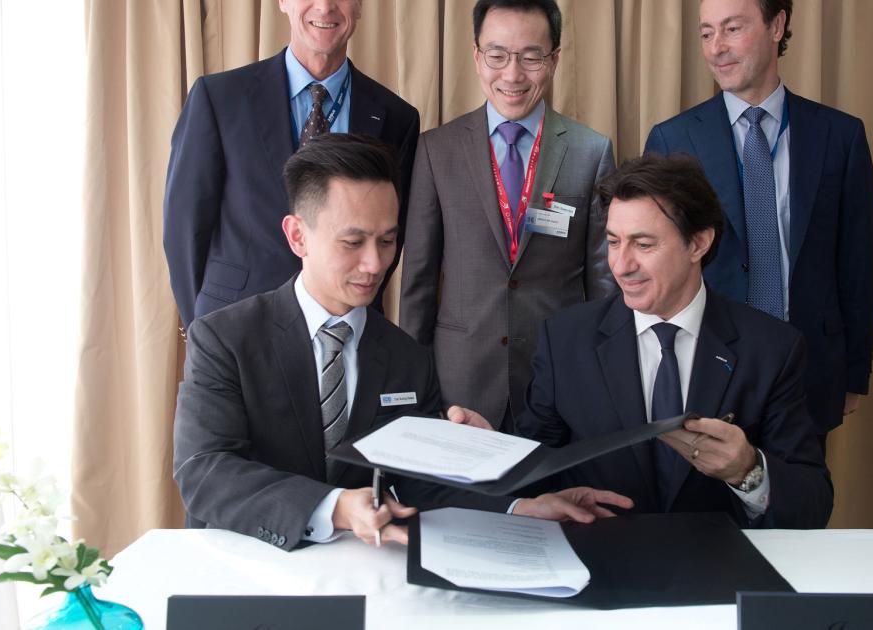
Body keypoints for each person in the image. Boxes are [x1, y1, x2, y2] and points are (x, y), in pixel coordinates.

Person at [173, 134, 629, 550]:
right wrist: (334, 506)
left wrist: (520, 506)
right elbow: (206, 471)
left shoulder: (406, 356)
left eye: (388, 241)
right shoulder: (224, 338)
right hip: (244, 567)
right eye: (352, 242)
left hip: (363, 574)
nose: (374, 264)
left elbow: (415, 485)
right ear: (297, 236)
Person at [455, 154, 833, 528]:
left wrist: (747, 470)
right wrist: (494, 453)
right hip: (600, 567)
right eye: (614, 242)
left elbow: (812, 506)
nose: (621, 264)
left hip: (720, 572)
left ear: (698, 243)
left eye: (644, 244)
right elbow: (538, 470)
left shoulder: (772, 349)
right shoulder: (566, 340)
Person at [644, 0, 873, 449]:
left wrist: (854, 372)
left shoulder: (840, 137)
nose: (716, 48)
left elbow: (860, 265)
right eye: (706, 32)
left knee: (796, 508)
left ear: (777, 25)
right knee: (707, 518)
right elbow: (657, 266)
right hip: (704, 373)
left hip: (808, 369)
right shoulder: (672, 139)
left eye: (732, 29)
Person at [399, 0, 617, 432]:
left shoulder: (591, 152)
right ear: (478, 56)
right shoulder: (437, 149)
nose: (513, 75)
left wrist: (600, 376)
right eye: (497, 55)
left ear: (554, 60)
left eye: (531, 57)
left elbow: (603, 281)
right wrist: (415, 385)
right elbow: (418, 282)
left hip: (559, 379)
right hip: (460, 381)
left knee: (556, 497)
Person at [164, 0, 420, 332]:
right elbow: (184, 228)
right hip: (236, 328)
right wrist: (202, 330)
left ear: (358, 6)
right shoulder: (219, 99)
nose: (325, 7)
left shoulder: (397, 117)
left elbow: (391, 236)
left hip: (346, 333)